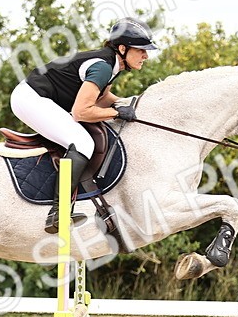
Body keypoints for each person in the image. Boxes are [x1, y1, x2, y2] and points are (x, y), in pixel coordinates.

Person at [10, 17, 157, 233]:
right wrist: (116, 112)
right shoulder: (103, 67)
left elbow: (102, 96)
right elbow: (81, 112)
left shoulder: (110, 64)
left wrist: (124, 103)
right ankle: (58, 213)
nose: (146, 55)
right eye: (141, 50)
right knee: (82, 143)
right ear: (123, 48)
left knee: (82, 138)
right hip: (31, 98)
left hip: (36, 96)